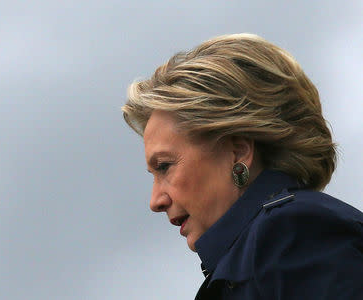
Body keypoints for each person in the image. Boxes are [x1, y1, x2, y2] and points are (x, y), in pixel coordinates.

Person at [121, 33, 363, 299]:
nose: (155, 201)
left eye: (165, 166)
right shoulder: (253, 258)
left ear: (238, 152)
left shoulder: (290, 233)